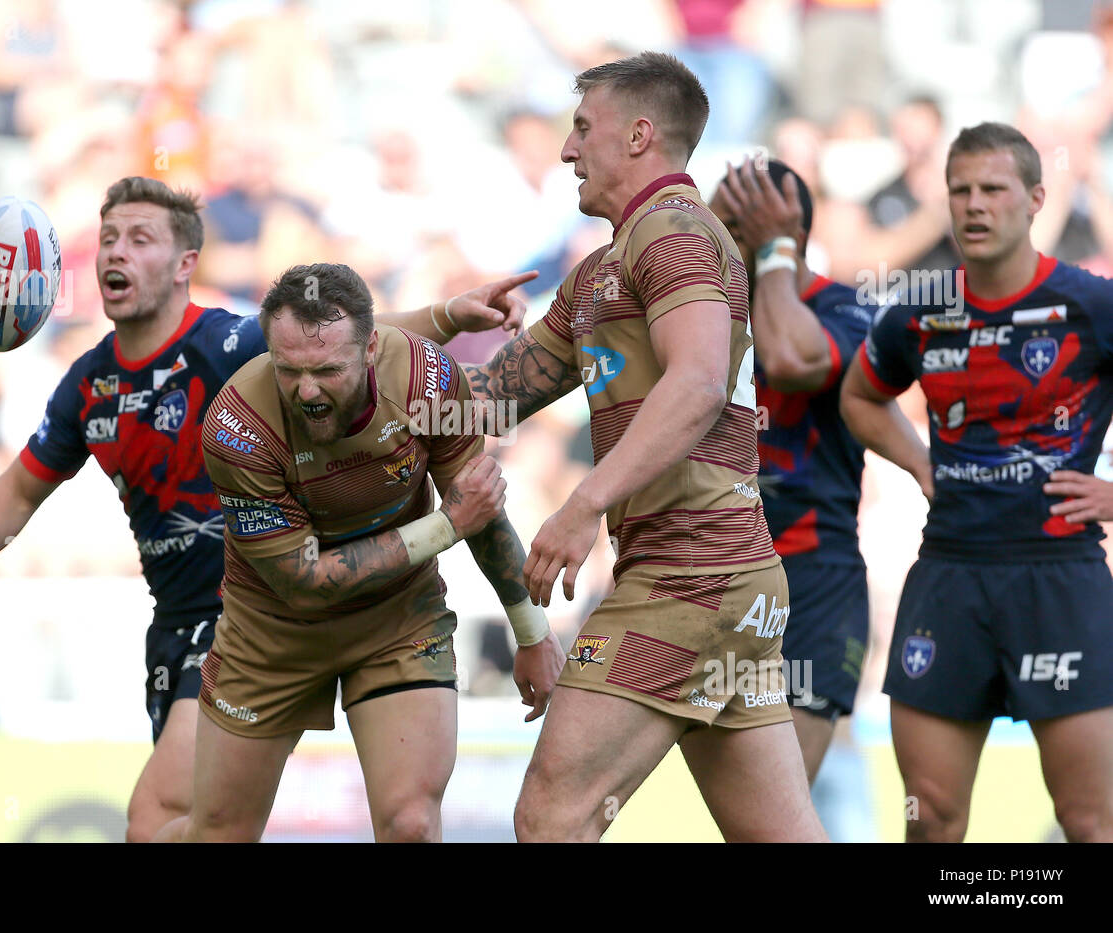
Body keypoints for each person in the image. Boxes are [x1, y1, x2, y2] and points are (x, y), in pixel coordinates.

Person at [0, 176, 536, 843]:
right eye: (107, 238)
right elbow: (19, 490)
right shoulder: (88, 383)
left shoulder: (226, 344)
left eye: (140, 239)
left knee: (159, 818)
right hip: (175, 620)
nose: (115, 253)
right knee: (192, 830)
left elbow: (340, 339)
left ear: (186, 263)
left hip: (244, 610)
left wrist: (448, 314)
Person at [464, 52, 827, 842]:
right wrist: (421, 325)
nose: (567, 150)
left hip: (687, 577)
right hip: (731, 581)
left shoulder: (674, 232)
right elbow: (479, 405)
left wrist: (583, 503)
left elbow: (696, 386)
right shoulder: (605, 267)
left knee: (550, 818)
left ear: (638, 136)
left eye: (582, 129)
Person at [154, 263, 565, 843]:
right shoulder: (237, 424)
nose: (307, 391)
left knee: (411, 825)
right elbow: (304, 580)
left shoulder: (426, 380)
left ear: (371, 347)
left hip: (397, 620)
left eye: (327, 370)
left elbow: (481, 508)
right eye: (289, 371)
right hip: (273, 631)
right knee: (218, 834)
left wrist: (530, 630)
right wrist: (445, 526)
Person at [840, 122, 1113, 842]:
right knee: (928, 817)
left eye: (993, 188)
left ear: (1034, 200)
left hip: (1062, 577)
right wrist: (922, 464)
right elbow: (859, 396)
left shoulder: (1091, 303)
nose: (974, 205)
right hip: (949, 575)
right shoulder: (921, 310)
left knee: (1089, 820)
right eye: (959, 190)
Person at [709, 157, 875, 783]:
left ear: (787, 232)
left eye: (735, 223)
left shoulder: (849, 308)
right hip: (707, 571)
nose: (714, 237)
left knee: (778, 807)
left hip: (811, 579)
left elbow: (786, 358)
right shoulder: (697, 317)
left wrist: (775, 257)